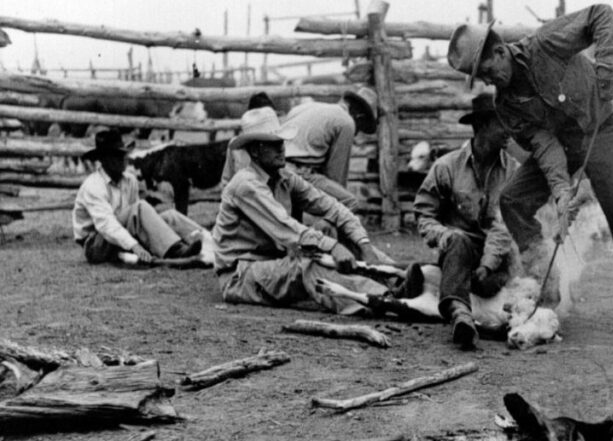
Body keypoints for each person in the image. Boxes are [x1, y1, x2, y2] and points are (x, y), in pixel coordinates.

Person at [446, 4, 613, 346]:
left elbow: (601, 14)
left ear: (500, 51)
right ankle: (545, 279)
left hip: (605, 130)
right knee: (513, 200)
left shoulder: (545, 43)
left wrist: (605, 68)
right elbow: (546, 147)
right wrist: (561, 192)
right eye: (481, 79)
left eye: (486, 72)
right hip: (566, 145)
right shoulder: (506, 105)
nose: (487, 82)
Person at [212, 107, 396, 315]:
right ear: (255, 151)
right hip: (241, 274)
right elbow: (286, 228)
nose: (281, 149)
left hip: (272, 265)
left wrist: (364, 245)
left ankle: (399, 279)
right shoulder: (246, 184)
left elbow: (333, 206)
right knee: (309, 264)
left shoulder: (285, 177)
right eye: (273, 145)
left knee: (351, 244)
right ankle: (384, 300)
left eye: (281, 142)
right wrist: (332, 247)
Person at [414, 93, 519, 349]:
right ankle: (460, 314)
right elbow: (424, 214)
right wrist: (443, 235)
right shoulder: (446, 167)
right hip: (457, 249)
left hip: (496, 255)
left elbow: (503, 226)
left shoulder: (514, 171)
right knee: (458, 240)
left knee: (511, 284)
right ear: (482, 126)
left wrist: (487, 264)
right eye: (503, 123)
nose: (510, 130)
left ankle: (439, 285)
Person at [72, 130, 206, 265]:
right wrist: (134, 246)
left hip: (121, 235)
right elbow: (106, 225)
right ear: (103, 160)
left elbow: (137, 221)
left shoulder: (129, 180)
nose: (123, 159)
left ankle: (210, 241)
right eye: (116, 156)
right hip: (96, 244)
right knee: (140, 207)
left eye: (123, 154)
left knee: (171, 216)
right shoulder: (93, 186)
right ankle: (176, 250)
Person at [279, 86, 379, 211]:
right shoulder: (347, 122)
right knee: (348, 202)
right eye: (360, 127)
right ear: (359, 116)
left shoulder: (305, 108)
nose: (357, 133)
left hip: (276, 168)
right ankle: (327, 230)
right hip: (299, 173)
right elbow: (335, 176)